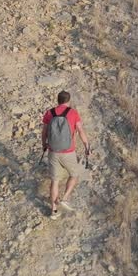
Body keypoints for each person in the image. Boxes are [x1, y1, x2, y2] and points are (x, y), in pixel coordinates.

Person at [41, 90, 90, 219]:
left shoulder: (49, 113)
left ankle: (54, 211)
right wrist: (86, 145)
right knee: (74, 174)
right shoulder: (73, 113)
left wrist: (44, 145)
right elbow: (80, 130)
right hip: (69, 152)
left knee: (55, 181)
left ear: (58, 100)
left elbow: (44, 131)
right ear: (68, 101)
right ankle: (65, 197)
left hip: (53, 152)